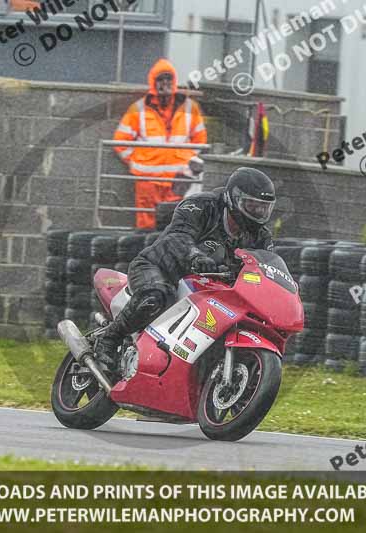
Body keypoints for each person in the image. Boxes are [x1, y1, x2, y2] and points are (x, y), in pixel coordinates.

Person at [93, 167, 277, 372]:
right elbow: (178, 235)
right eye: (252, 206)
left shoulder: (261, 236)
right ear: (233, 198)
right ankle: (109, 339)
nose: (258, 213)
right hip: (159, 268)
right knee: (157, 295)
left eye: (263, 208)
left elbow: (265, 267)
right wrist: (195, 255)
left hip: (207, 288)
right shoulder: (200, 206)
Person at [113, 58, 208, 229]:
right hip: (147, 180)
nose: (165, 83)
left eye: (168, 79)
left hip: (179, 180)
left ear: (174, 81)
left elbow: (200, 141)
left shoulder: (190, 108)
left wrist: (187, 163)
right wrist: (136, 162)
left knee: (177, 223)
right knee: (146, 225)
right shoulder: (138, 109)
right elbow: (121, 141)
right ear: (152, 82)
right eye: (160, 79)